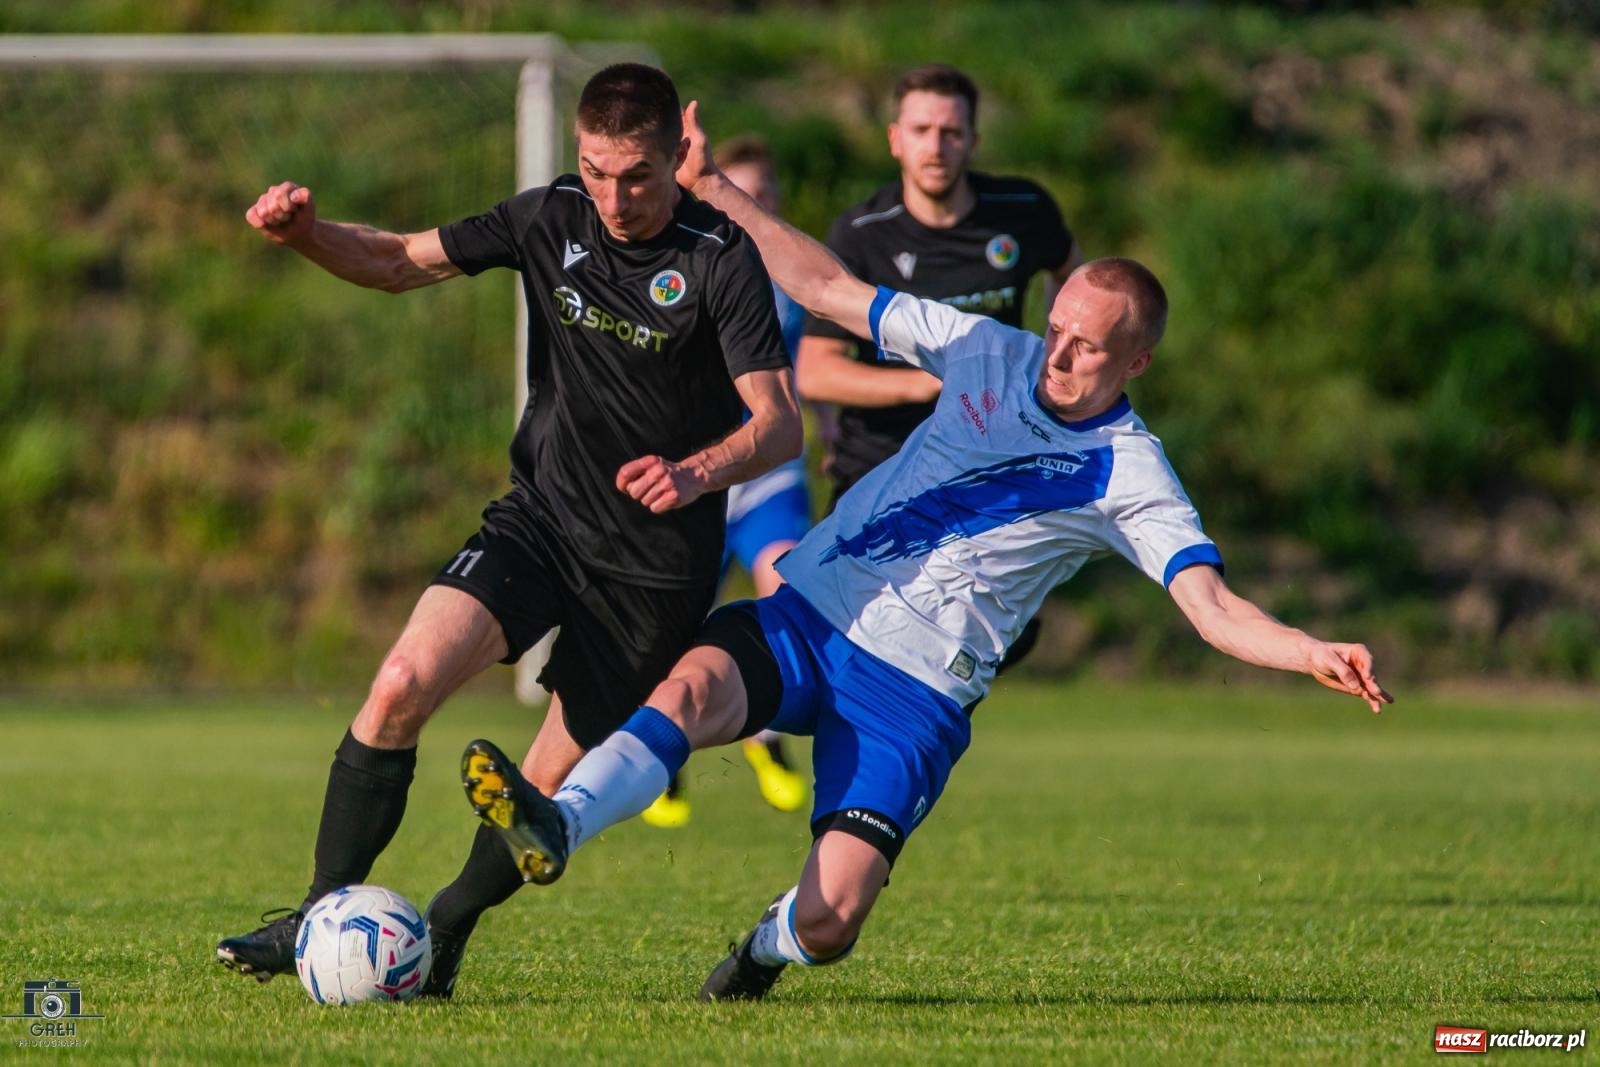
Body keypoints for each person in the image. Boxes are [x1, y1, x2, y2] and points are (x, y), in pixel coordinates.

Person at [454, 101, 1393, 1004]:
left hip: (914, 689)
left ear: (1136, 362)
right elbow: (829, 289)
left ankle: (764, 945)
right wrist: (716, 190)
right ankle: (561, 820)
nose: (1057, 354)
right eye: (1055, 328)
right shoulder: (986, 348)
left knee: (830, 921)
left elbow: (1212, 607)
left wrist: (1308, 648)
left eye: (1086, 348)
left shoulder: (1131, 472)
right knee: (689, 690)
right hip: (816, 610)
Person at [214, 65, 803, 998]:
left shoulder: (720, 256)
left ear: (676, 158)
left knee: (538, 791)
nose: (614, 199)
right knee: (399, 683)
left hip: (652, 574)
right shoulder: (550, 215)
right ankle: (317, 916)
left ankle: (444, 934)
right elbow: (397, 261)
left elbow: (779, 423)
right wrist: (306, 236)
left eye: (638, 177)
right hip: (539, 522)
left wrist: (695, 471)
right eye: (596, 171)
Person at [798, 63, 1082, 666]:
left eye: (951, 132)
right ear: (895, 139)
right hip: (879, 467)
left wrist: (1058, 358)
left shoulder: (1022, 210)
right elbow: (816, 371)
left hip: (982, 464)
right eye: (922, 130)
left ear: (973, 141)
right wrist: (930, 383)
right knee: (840, 639)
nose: (936, 146)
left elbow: (1076, 277)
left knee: (977, 644)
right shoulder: (861, 234)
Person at [642, 134, 809, 829]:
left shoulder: (798, 273)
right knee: (672, 621)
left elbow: (812, 364)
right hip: (695, 476)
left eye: (758, 193)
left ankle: (766, 734)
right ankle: (659, 755)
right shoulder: (681, 265)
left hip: (768, 473)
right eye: (729, 190)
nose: (744, 204)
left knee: (787, 583)